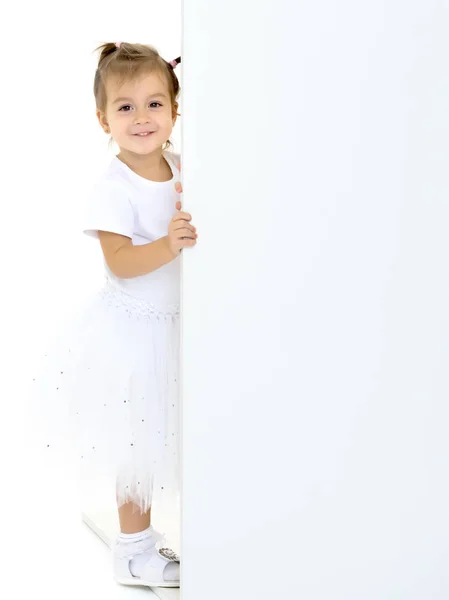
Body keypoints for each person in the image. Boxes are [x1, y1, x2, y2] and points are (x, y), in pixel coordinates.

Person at [30, 41, 197, 588]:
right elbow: (121, 262)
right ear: (103, 118)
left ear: (175, 109)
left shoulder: (183, 168)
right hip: (136, 330)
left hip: (183, 323)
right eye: (125, 107)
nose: (142, 117)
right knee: (139, 443)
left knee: (185, 429)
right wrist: (170, 246)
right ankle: (133, 549)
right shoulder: (113, 187)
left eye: (154, 103)